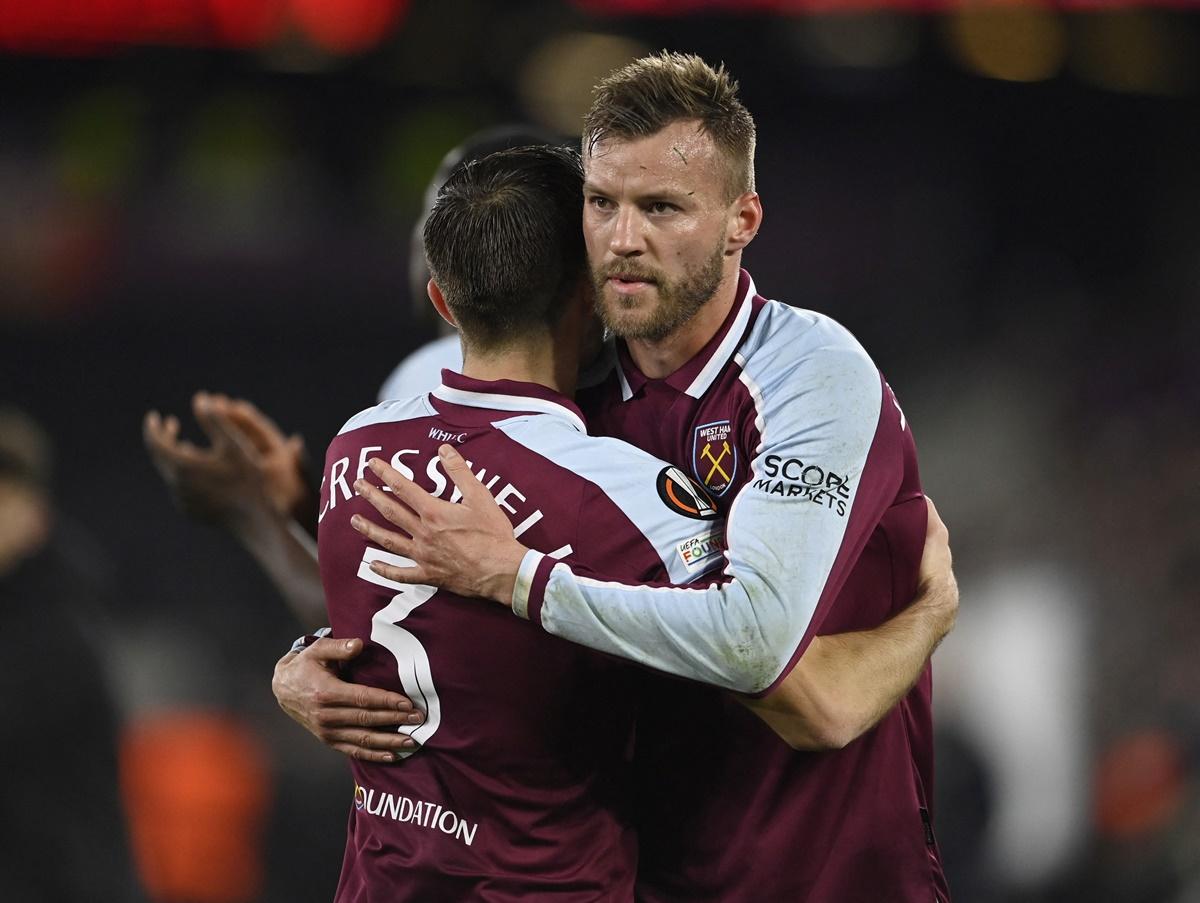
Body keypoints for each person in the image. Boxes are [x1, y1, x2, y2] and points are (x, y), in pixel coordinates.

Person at [324, 52, 954, 901]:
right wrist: (306, 666)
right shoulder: (566, 385)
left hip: (830, 877)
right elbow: (425, 606)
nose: (624, 239)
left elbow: (780, 668)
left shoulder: (811, 374)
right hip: (653, 874)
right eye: (602, 203)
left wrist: (517, 577)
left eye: (661, 207)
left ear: (743, 219)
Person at [318, 144, 733, 899]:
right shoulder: (633, 500)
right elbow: (755, 666)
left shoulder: (354, 448)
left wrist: (300, 655)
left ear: (443, 303)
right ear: (593, 293)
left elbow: (365, 636)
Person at [142, 126, 562, 631]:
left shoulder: (444, 372)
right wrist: (301, 506)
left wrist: (247, 510)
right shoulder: (620, 369)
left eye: (439, 212)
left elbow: (380, 634)